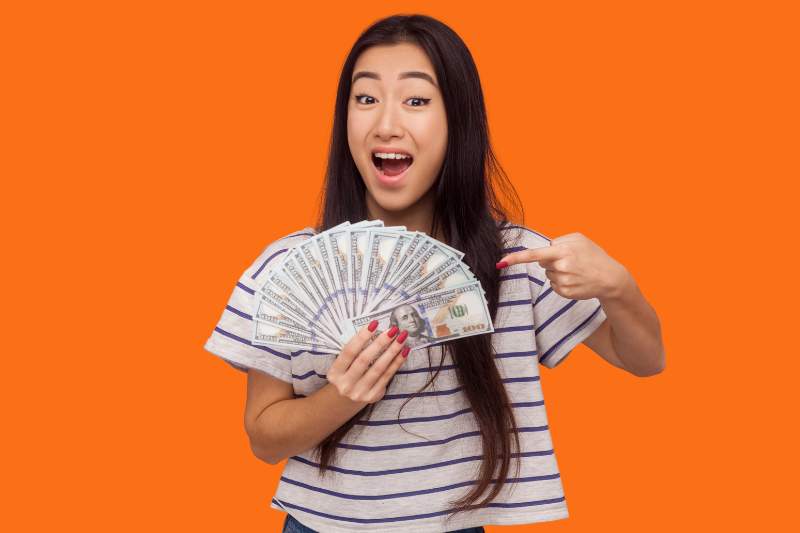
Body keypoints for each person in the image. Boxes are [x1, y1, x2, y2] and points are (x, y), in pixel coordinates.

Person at [204, 13, 665, 533]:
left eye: (417, 101)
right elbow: (264, 439)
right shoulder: (285, 268)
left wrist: (619, 287)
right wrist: (345, 397)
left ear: (457, 122)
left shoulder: (516, 260)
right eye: (366, 98)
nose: (386, 123)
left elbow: (644, 359)